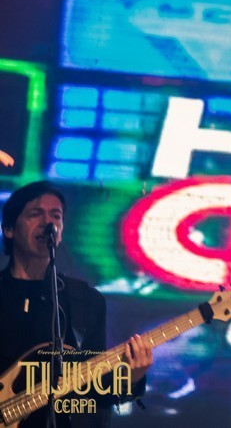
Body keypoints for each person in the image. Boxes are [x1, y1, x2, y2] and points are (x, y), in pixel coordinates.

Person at [0, 181, 153, 427]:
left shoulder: (86, 301)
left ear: (61, 231)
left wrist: (131, 378)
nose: (48, 223)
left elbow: (93, 392)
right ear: (9, 228)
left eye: (56, 216)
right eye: (35, 214)